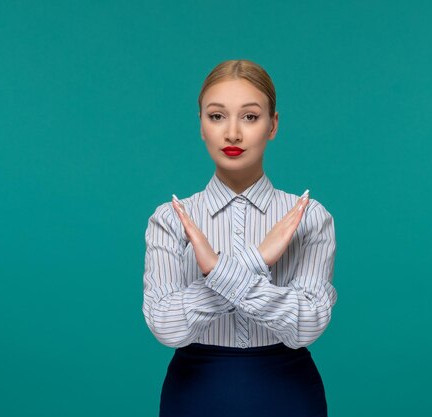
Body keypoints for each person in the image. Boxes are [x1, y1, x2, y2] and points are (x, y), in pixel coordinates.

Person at [142, 59, 338, 417]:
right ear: (201, 124)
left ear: (273, 125)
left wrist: (217, 270)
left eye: (250, 117)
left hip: (288, 394)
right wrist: (258, 259)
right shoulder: (169, 219)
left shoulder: (310, 217)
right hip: (195, 395)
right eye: (217, 116)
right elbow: (166, 327)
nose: (232, 133)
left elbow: (308, 324)